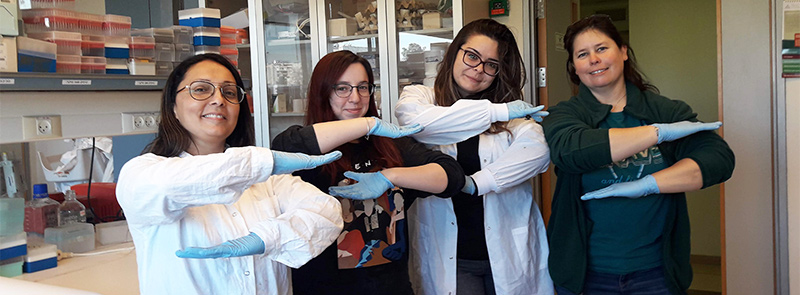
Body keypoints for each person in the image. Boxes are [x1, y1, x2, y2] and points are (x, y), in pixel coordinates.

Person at [116, 54, 344, 295]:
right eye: (201, 89)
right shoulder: (141, 173)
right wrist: (263, 162)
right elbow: (167, 186)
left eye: (230, 92)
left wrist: (267, 238)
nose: (218, 100)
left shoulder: (268, 182)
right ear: (173, 107)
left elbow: (327, 211)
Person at [542, 15, 735, 295]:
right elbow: (572, 151)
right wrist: (658, 133)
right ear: (574, 67)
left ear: (622, 52)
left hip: (656, 272)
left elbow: (718, 160)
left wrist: (649, 185)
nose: (594, 59)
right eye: (582, 54)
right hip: (585, 274)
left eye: (602, 48)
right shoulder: (564, 114)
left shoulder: (665, 110)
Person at [270, 50, 466, 295]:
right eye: (342, 88)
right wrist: (367, 124)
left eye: (363, 87)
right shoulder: (303, 147)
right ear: (323, 92)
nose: (355, 98)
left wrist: (390, 177)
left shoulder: (390, 145)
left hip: (391, 286)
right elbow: (283, 148)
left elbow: (452, 176)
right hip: (322, 286)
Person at [394, 18, 553, 295]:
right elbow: (419, 124)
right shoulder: (420, 96)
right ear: (455, 51)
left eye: (491, 64)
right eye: (472, 56)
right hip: (452, 256)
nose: (478, 70)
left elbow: (538, 152)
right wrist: (496, 112)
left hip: (507, 252)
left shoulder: (514, 118)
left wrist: (475, 184)